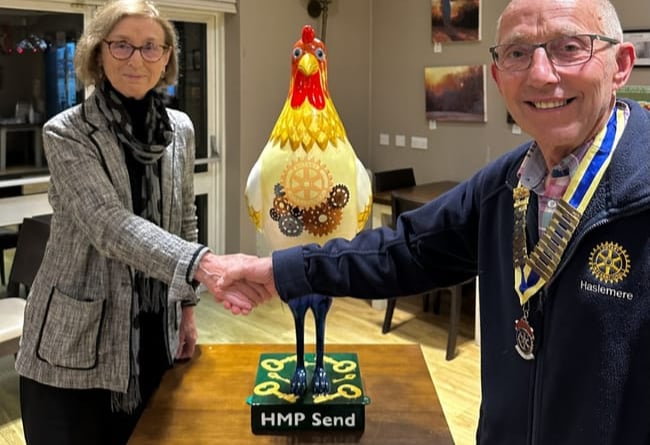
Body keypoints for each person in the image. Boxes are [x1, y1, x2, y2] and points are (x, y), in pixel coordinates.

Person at [219, 0, 650, 443]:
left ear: (620, 65)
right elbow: (403, 250)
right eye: (518, 53)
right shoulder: (503, 185)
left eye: (569, 47)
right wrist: (282, 270)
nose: (541, 73)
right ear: (498, 76)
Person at [14, 1, 269, 444]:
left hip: (154, 335)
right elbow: (109, 224)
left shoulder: (180, 130)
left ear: (168, 56)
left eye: (151, 47)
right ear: (98, 54)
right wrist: (205, 265)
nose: (137, 59)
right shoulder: (67, 132)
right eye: (122, 46)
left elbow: (184, 220)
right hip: (74, 349)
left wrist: (187, 310)